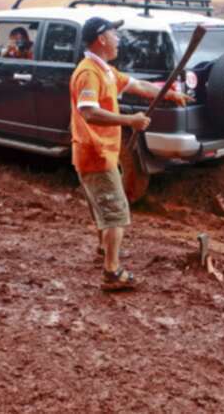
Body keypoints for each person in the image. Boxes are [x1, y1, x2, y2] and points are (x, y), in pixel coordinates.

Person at [70, 17, 192, 291]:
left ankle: (104, 250)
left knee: (104, 207)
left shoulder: (106, 71)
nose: (118, 39)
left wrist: (169, 94)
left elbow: (137, 85)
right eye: (114, 34)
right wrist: (130, 121)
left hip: (99, 152)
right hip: (96, 154)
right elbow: (88, 112)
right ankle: (111, 272)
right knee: (117, 213)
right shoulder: (89, 73)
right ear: (101, 39)